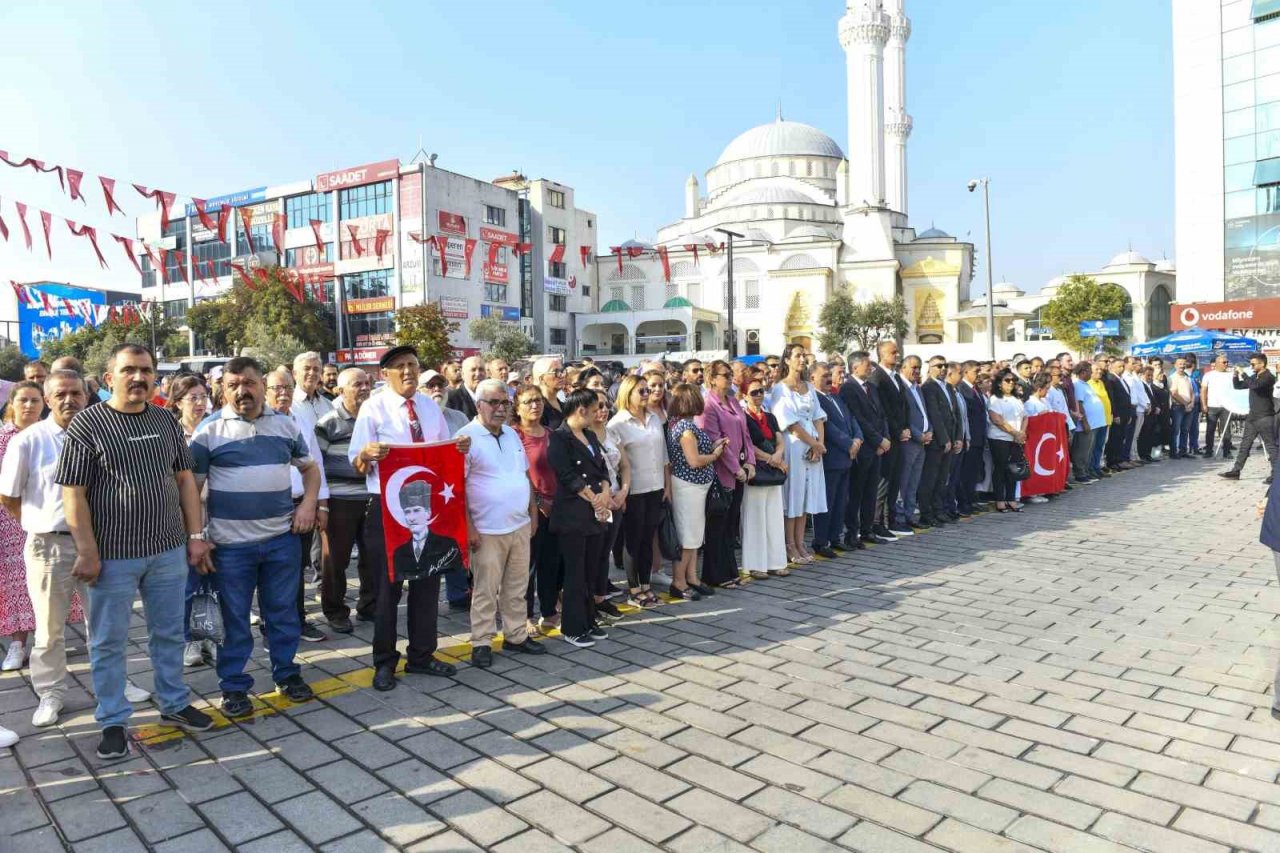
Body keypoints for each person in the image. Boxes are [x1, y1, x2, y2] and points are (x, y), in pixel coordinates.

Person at [56, 343, 214, 761]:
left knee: (168, 633)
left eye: (146, 370)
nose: (139, 378)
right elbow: (73, 492)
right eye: (129, 370)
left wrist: (195, 535)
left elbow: (184, 481)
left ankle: (174, 703)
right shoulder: (87, 425)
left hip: (167, 550)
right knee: (108, 641)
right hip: (112, 557)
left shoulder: (165, 420)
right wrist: (86, 550)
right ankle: (112, 719)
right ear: (110, 379)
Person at [191, 358, 321, 718]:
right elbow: (192, 488)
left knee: (282, 613)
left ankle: (287, 672)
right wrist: (197, 536)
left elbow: (310, 469)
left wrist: (308, 505)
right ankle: (233, 685)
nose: (241, 391)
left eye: (248, 383)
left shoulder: (284, 426)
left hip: (281, 540)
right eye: (232, 385)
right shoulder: (208, 431)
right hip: (231, 547)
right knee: (234, 620)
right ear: (223, 388)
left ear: (262, 384)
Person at [349, 345, 470, 692]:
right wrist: (367, 454)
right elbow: (357, 464)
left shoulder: (430, 407)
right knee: (388, 589)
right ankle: (384, 662)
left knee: (428, 582)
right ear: (384, 374)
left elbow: (440, 456)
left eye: (413, 366)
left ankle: (422, 654)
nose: (408, 372)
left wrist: (458, 448)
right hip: (386, 509)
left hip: (427, 506)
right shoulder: (373, 408)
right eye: (400, 366)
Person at [0, 372, 90, 727]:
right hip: (48, 546)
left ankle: (113, 684)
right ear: (48, 399)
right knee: (49, 629)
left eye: (76, 393)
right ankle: (51, 693)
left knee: (104, 622)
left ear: (86, 396)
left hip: (98, 544)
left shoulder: (98, 434)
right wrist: (38, 523)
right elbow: (8, 495)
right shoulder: (29, 441)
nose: (69, 400)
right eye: (61, 394)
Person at [458, 379, 546, 668]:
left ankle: (516, 635)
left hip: (519, 524)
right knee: (485, 589)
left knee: (517, 586)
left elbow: (524, 476)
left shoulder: (511, 434)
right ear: (478, 405)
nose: (499, 408)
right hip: (486, 529)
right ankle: (482, 641)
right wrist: (469, 526)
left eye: (504, 403)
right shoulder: (465, 438)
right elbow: (457, 488)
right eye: (493, 402)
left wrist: (532, 512)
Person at [266, 370, 330, 644]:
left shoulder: (301, 420)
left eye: (288, 387)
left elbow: (315, 463)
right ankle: (272, 628)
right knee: (273, 571)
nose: (283, 393)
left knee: (298, 567)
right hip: (270, 506)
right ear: (265, 390)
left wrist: (320, 504)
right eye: (277, 388)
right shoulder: (258, 422)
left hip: (302, 503)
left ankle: (299, 620)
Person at [547, 389, 613, 647]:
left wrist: (606, 491)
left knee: (591, 569)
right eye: (595, 408)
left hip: (595, 512)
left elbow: (602, 467)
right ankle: (573, 626)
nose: (599, 412)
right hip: (573, 513)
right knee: (575, 572)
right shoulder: (560, 438)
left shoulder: (589, 435)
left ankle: (589, 619)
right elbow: (566, 475)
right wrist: (593, 497)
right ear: (581, 409)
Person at [163, 376, 217, 667]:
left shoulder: (215, 428)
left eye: (203, 396)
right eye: (192, 398)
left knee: (213, 582)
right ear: (178, 401)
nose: (199, 403)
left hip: (217, 516)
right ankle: (189, 640)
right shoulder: (171, 433)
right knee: (188, 583)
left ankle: (209, 633)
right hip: (184, 518)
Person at [315, 368, 374, 634]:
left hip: (372, 497)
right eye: (356, 384)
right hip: (340, 501)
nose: (364, 388)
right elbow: (315, 465)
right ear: (340, 390)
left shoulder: (374, 418)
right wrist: (322, 504)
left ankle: (370, 606)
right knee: (335, 560)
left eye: (367, 383)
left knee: (372, 556)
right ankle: (335, 611)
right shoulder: (328, 422)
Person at [607, 374, 668, 607]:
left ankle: (646, 585)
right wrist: (621, 491)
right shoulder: (618, 424)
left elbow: (663, 455)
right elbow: (615, 462)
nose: (647, 394)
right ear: (628, 393)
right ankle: (634, 589)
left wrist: (666, 486)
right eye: (641, 391)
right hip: (633, 490)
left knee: (647, 538)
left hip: (655, 486)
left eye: (647, 390)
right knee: (633, 539)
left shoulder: (654, 418)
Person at [0, 381, 47, 672]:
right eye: (23, 400)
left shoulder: (51, 435)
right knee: (17, 583)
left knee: (49, 583)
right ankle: (18, 643)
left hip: (47, 517)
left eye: (35, 400)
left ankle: (46, 640)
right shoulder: (2, 438)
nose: (29, 406)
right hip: (10, 522)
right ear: (11, 405)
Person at [696, 361, 753, 586]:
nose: (730, 378)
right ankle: (714, 574)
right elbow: (713, 439)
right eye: (725, 375)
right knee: (718, 525)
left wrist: (749, 461)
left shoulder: (733, 402)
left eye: (731, 374)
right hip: (722, 472)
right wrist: (736, 468)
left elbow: (745, 434)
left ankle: (730, 570)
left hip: (741, 469)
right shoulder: (708, 405)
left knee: (731, 523)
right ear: (712, 378)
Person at [769, 345, 826, 563]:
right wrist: (813, 443)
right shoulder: (780, 389)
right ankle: (789, 544)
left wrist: (820, 444)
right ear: (787, 360)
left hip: (812, 447)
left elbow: (818, 417)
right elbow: (790, 424)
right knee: (793, 495)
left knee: (806, 496)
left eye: (804, 355)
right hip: (794, 446)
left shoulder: (809, 387)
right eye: (797, 356)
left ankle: (801, 541)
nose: (802, 359)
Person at [422, 370, 473, 612]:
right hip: (423, 491)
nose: (436, 390)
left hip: (453, 490)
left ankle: (458, 592)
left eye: (440, 385)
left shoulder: (459, 417)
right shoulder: (415, 416)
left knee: (455, 540)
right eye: (429, 386)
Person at [665, 383, 721, 599]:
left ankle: (691, 577)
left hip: (693, 486)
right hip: (689, 486)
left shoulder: (676, 423)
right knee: (688, 536)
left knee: (694, 534)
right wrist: (715, 454)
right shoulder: (686, 429)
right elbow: (694, 460)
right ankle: (679, 581)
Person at [515, 387, 563, 630]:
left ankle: (549, 610)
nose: (535, 405)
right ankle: (525, 615)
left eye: (538, 400)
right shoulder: (514, 435)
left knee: (550, 562)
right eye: (528, 401)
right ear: (517, 407)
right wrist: (538, 501)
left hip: (555, 508)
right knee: (527, 565)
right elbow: (517, 475)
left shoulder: (552, 434)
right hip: (527, 509)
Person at [841, 351, 891, 547]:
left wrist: (885, 438)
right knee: (857, 492)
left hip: (877, 447)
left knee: (871, 491)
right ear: (854, 367)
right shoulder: (848, 389)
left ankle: (867, 530)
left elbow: (881, 415)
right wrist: (878, 440)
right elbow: (858, 419)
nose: (870, 368)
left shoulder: (871, 387)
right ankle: (852, 534)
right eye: (867, 364)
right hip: (863, 448)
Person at [813, 363, 860, 558]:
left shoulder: (835, 397)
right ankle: (821, 541)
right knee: (828, 502)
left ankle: (835, 538)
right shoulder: (815, 399)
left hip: (847, 457)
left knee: (841, 501)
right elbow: (828, 427)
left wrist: (858, 438)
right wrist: (849, 443)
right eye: (824, 375)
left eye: (829, 375)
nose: (828, 378)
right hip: (832, 456)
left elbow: (852, 419)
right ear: (812, 378)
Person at [589, 390, 628, 612]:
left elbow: (625, 466)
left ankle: (600, 596)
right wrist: (604, 497)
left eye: (606, 406)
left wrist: (623, 491)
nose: (603, 410)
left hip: (616, 498)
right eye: (598, 405)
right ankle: (589, 597)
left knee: (606, 552)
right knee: (593, 551)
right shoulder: (582, 435)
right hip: (595, 501)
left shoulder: (612, 433)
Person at [867, 340, 911, 538]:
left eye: (897, 351)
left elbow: (904, 405)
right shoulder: (877, 377)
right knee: (883, 482)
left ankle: (891, 519)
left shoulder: (896, 377)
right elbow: (882, 410)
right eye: (893, 352)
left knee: (894, 481)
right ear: (882, 354)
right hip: (888, 437)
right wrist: (896, 430)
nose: (897, 354)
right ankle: (877, 522)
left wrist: (907, 427)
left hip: (900, 436)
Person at [1222, 353, 1277, 481]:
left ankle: (1276, 474)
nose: (1251, 366)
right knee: (1244, 445)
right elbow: (1239, 386)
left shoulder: (1268, 377)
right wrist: (1235, 375)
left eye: (1253, 364)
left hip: (1265, 416)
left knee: (1270, 446)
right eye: (1250, 364)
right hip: (1252, 417)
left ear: (1262, 364)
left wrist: (1243, 373)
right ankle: (1236, 471)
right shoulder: (1254, 376)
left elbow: (1255, 386)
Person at [919, 359, 958, 527]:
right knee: (931, 478)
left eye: (944, 366)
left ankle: (938, 510)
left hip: (950, 439)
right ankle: (926, 513)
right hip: (937, 441)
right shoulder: (928, 387)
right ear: (930, 368)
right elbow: (935, 415)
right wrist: (944, 439)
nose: (942, 369)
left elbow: (954, 415)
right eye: (938, 366)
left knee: (942, 479)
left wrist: (957, 437)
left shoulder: (948, 387)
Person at [897, 356, 931, 530]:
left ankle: (910, 515)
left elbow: (924, 413)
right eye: (913, 367)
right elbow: (904, 417)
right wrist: (919, 435)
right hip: (909, 442)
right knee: (904, 482)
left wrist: (929, 430)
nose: (917, 371)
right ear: (903, 367)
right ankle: (901, 517)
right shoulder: (900, 387)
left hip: (922, 442)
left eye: (919, 368)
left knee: (914, 482)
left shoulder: (917, 388)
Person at [987, 370, 1026, 513]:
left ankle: (1011, 498)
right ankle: (999, 499)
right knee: (1001, 468)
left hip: (1016, 439)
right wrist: (1014, 432)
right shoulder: (995, 399)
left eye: (1013, 381)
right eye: (1007, 380)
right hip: (1000, 438)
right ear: (999, 383)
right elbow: (997, 419)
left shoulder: (1017, 399)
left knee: (1013, 469)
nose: (1011, 383)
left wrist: (1021, 432)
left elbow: (1025, 417)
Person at [957, 361, 987, 514]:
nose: (979, 375)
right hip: (969, 438)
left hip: (979, 437)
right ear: (966, 372)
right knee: (966, 473)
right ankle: (964, 503)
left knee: (974, 472)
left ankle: (972, 499)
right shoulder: (962, 389)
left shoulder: (976, 390)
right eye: (976, 371)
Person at [1071, 363, 1104, 482]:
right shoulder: (1078, 385)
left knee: (1088, 450)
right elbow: (1079, 404)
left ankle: (1085, 471)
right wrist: (1084, 422)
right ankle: (1080, 474)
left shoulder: (1085, 384)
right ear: (1083, 372)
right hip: (1086, 424)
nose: (1091, 373)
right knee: (1081, 450)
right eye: (1090, 371)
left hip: (1094, 423)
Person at [1202, 354, 1236, 459]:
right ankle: (1208, 450)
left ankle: (1226, 451)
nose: (1226, 364)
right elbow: (1203, 390)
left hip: (1226, 406)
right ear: (1216, 364)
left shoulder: (1231, 375)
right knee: (1210, 429)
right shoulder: (1208, 375)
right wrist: (1204, 404)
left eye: (1227, 362)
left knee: (1226, 430)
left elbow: (1235, 390)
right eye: (1224, 362)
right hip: (1212, 405)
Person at [1087, 360, 1114, 478]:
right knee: (1091, 446)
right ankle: (1090, 468)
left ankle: (1097, 467)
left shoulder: (1101, 383)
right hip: (1094, 421)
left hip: (1105, 419)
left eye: (1100, 369)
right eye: (1096, 370)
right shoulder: (1087, 384)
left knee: (1100, 445)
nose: (1100, 371)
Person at [1168, 358, 1195, 459]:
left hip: (1188, 407)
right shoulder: (1172, 378)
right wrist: (1185, 404)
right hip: (1177, 407)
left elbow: (1192, 392)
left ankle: (1183, 450)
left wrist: (1191, 403)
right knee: (1175, 430)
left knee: (1185, 430)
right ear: (1175, 365)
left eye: (1183, 364)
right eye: (1180, 364)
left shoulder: (1187, 377)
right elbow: (1174, 393)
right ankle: (1173, 452)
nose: (1182, 366)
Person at [446, 355, 484, 420]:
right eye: (473, 370)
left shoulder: (491, 396)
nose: (478, 374)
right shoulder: (451, 398)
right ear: (463, 374)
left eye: (481, 369)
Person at [532, 357, 565, 429]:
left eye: (562, 371)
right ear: (541, 379)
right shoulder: (535, 408)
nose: (561, 375)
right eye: (556, 372)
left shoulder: (564, 405)